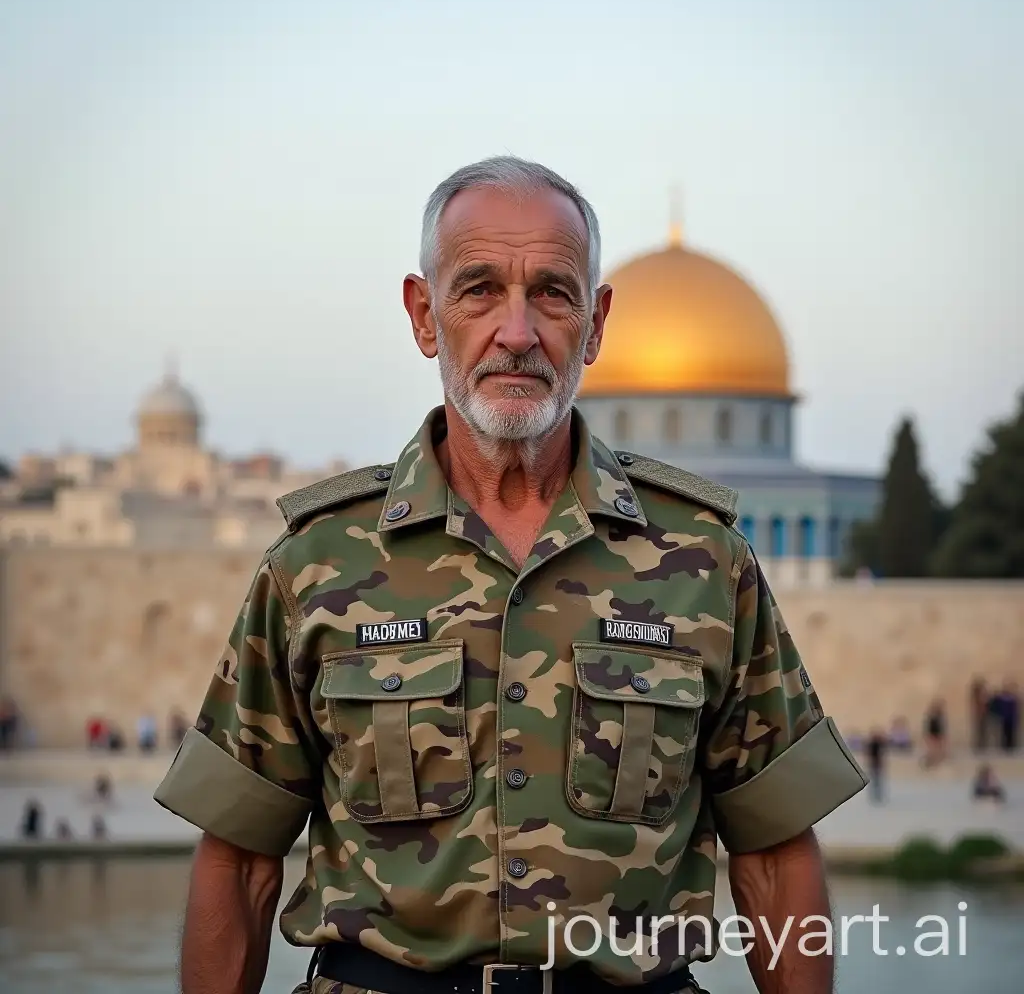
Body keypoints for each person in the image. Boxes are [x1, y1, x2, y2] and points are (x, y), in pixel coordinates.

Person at [155, 157, 867, 994]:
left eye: (554, 294)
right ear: (425, 316)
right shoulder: (318, 564)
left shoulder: (704, 562)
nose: (518, 332)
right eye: (480, 289)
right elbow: (239, 864)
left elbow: (777, 856)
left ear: (596, 324)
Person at [922, 699, 947, 767]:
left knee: (936, 746)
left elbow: (941, 727)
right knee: (934, 746)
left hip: (936, 732)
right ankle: (933, 759)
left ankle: (935, 759)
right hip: (934, 732)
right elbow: (930, 727)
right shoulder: (933, 717)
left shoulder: (939, 717)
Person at [866, 729, 888, 802]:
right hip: (874, 765)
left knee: (877, 781)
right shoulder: (873, 744)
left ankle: (877, 796)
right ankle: (875, 796)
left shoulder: (877, 744)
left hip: (876, 765)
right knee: (875, 781)